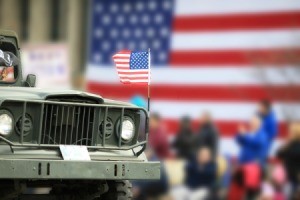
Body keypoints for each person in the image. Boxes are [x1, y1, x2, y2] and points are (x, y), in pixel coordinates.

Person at [277, 122, 300, 199]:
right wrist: (286, 145)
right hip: (288, 178)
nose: (289, 134)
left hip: (296, 179)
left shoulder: (297, 146)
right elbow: (279, 154)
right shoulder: (289, 144)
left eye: (291, 132)